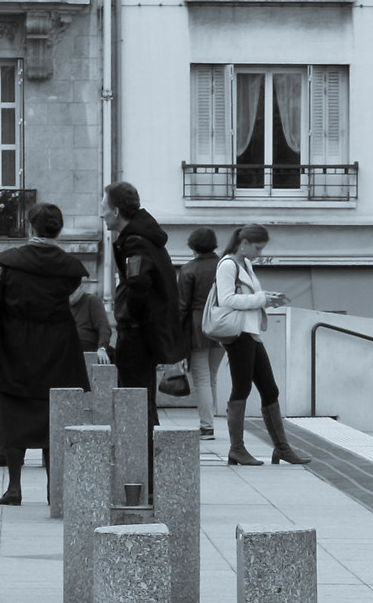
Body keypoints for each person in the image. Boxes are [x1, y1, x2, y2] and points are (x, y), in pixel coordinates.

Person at [0, 201, 91, 504]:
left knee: (13, 416)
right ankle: (53, 488)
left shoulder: (8, 263)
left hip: (16, 344)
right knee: (53, 416)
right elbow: (69, 297)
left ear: (31, 227)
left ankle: (14, 487)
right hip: (58, 346)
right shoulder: (69, 269)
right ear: (59, 229)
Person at [205, 225, 310, 466]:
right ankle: (237, 449)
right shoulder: (228, 265)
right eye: (257, 248)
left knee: (270, 389)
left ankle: (281, 448)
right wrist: (261, 298)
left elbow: (248, 296)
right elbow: (227, 298)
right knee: (241, 389)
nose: (259, 253)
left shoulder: (246, 265)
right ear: (243, 243)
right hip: (238, 334)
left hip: (250, 333)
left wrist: (267, 298)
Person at [103, 181, 185, 434]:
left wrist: (127, 315)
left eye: (104, 207)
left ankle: (141, 453)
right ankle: (146, 449)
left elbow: (138, 282)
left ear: (116, 211)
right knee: (142, 395)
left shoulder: (134, 242)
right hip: (147, 329)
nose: (101, 213)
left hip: (137, 332)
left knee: (134, 395)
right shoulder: (146, 237)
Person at [177, 227, 223, 439]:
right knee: (212, 376)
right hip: (223, 325)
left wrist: (176, 334)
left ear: (193, 247)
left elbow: (182, 306)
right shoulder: (225, 265)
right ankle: (210, 420)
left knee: (202, 379)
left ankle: (207, 426)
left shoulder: (188, 269)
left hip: (198, 326)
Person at [71, 284, 114, 364]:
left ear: (80, 287)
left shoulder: (92, 300)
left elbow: (104, 327)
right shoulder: (62, 306)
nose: (69, 293)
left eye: (72, 290)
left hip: (88, 349)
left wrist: (102, 348)